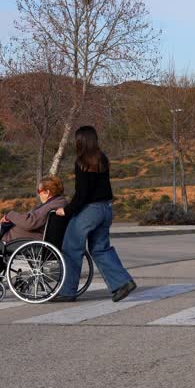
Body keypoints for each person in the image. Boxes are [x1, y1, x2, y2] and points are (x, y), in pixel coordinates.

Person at [53, 125, 136, 302]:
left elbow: (82, 194)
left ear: (81, 141)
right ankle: (123, 282)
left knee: (71, 247)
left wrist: (66, 210)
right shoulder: (102, 159)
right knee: (100, 249)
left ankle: (67, 291)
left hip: (90, 211)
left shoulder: (82, 162)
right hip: (106, 209)